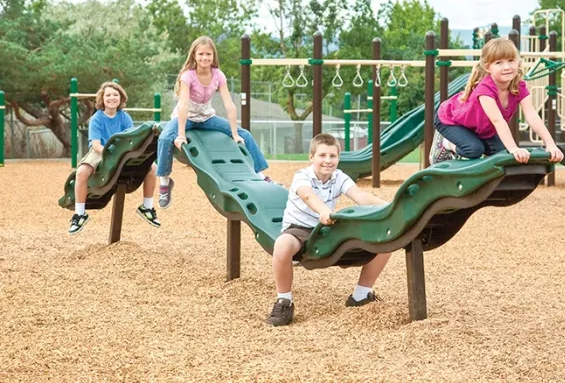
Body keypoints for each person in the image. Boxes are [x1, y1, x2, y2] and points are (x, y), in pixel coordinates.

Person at [266, 133, 391, 327]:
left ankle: (360, 295)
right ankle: (284, 301)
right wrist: (324, 210)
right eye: (322, 155)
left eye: (333, 156)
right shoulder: (302, 176)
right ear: (311, 157)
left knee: (388, 237)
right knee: (282, 245)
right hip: (299, 229)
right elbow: (308, 196)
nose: (327, 161)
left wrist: (390, 207)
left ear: (338, 158)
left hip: (326, 228)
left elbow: (360, 196)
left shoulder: (338, 177)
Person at [156, 36, 273, 209]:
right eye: (201, 54)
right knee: (165, 139)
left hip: (207, 117)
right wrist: (180, 135)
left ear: (213, 56)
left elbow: (229, 105)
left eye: (208, 54)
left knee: (244, 135)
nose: (205, 58)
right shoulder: (188, 76)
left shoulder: (218, 75)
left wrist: (234, 133)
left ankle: (261, 175)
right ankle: (165, 182)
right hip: (186, 117)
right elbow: (183, 105)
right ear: (194, 55)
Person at [429, 38, 564, 165]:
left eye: (511, 60)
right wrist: (514, 148)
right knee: (474, 150)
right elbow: (498, 120)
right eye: (499, 63)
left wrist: (550, 143)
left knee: (502, 154)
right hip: (451, 120)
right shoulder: (485, 89)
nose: (506, 67)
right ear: (488, 68)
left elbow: (532, 115)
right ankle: (445, 143)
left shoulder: (518, 86)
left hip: (479, 128)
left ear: (518, 62)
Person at [69, 82, 160, 234]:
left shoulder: (125, 118)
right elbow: (96, 144)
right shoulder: (97, 119)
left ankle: (147, 207)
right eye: (108, 95)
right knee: (81, 172)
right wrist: (109, 154)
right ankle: (79, 214)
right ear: (102, 99)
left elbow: (130, 139)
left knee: (153, 168)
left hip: (121, 152)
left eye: (115, 95)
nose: (112, 98)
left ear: (121, 98)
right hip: (101, 151)